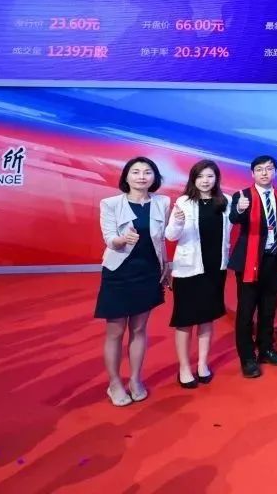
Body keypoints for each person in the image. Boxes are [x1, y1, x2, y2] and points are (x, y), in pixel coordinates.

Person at [95, 157, 169, 406]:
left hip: (148, 272)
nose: (141, 176)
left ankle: (135, 379)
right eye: (135, 172)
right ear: (126, 177)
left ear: (154, 177)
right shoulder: (111, 203)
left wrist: (166, 265)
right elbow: (109, 239)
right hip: (119, 273)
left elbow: (161, 239)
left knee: (139, 329)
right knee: (115, 331)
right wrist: (122, 239)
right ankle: (114, 383)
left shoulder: (162, 202)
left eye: (147, 172)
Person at [164, 159, 231, 388]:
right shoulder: (183, 202)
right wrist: (178, 222)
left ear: (216, 178)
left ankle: (202, 363)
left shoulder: (226, 201)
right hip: (189, 270)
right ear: (193, 179)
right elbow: (171, 236)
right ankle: (184, 367)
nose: (205, 181)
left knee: (206, 318)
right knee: (185, 320)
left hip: (215, 269)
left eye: (210, 176)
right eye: (200, 176)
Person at [228, 155, 277, 379]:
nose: (264, 173)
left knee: (268, 309)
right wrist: (240, 209)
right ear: (252, 173)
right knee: (246, 312)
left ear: (275, 172)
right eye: (259, 169)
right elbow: (234, 219)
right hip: (250, 261)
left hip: (274, 260)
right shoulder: (243, 196)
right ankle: (247, 358)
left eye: (269, 168)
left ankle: (266, 349)